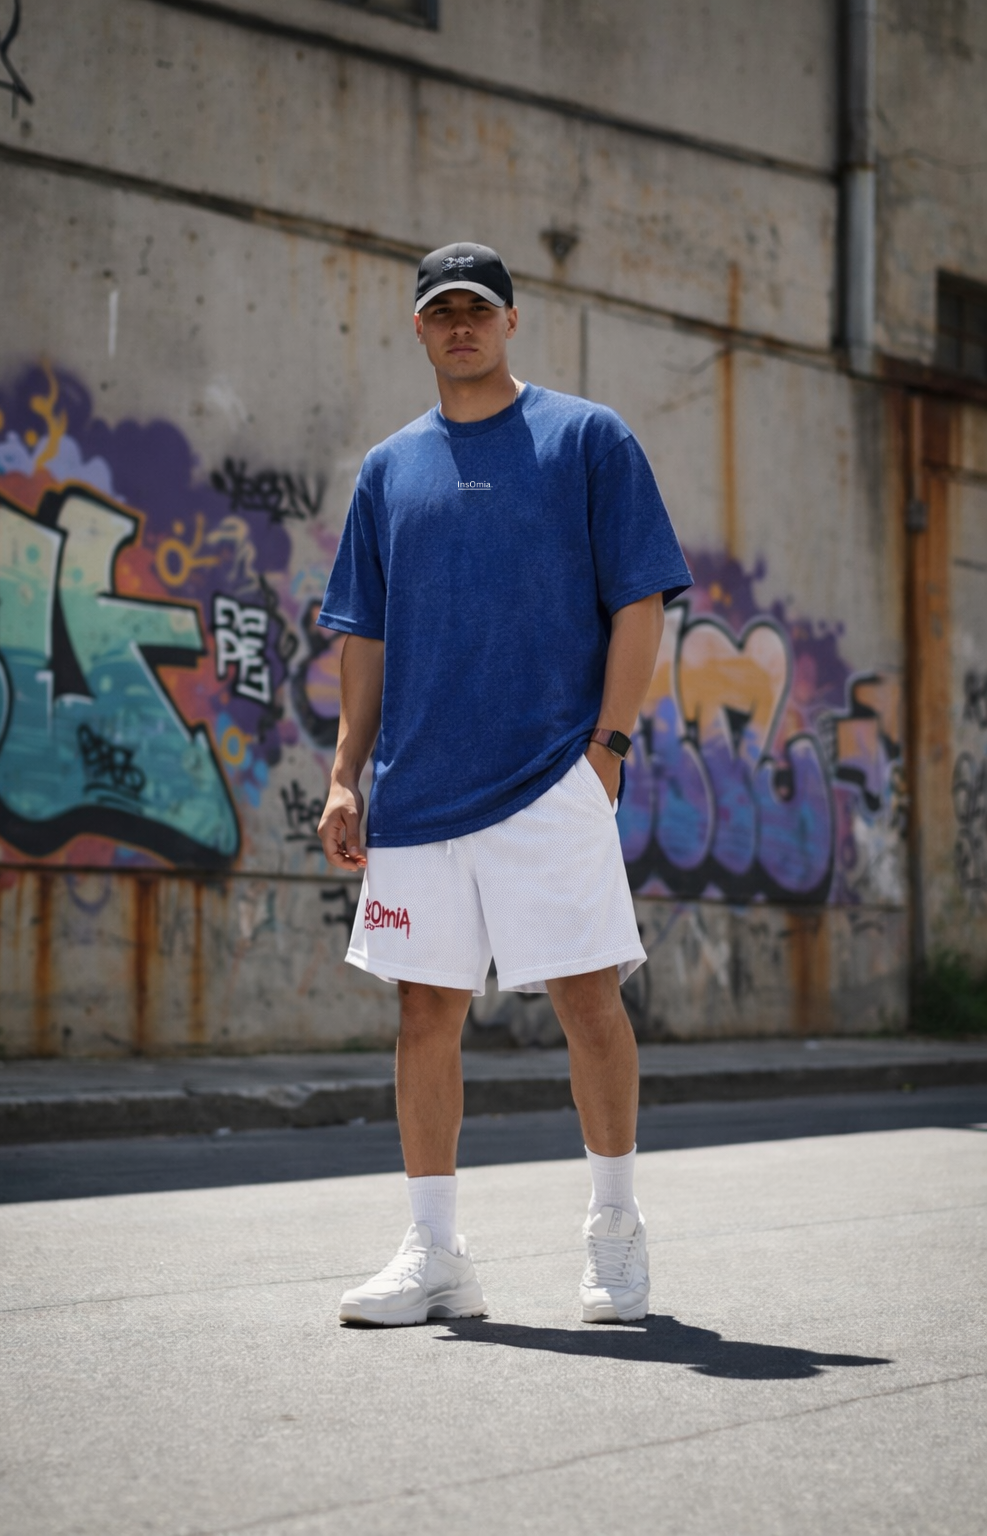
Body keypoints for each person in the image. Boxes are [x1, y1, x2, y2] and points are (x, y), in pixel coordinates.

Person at [317, 242, 692, 1327]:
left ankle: (614, 1229)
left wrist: (607, 749)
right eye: (443, 312)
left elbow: (638, 601)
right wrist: (345, 777)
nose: (462, 325)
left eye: (479, 308)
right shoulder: (390, 468)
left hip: (549, 778)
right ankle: (436, 1255)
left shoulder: (586, 439)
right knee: (424, 1012)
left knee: (586, 999)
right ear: (421, 329)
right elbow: (366, 637)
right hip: (421, 789)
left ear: (512, 321)